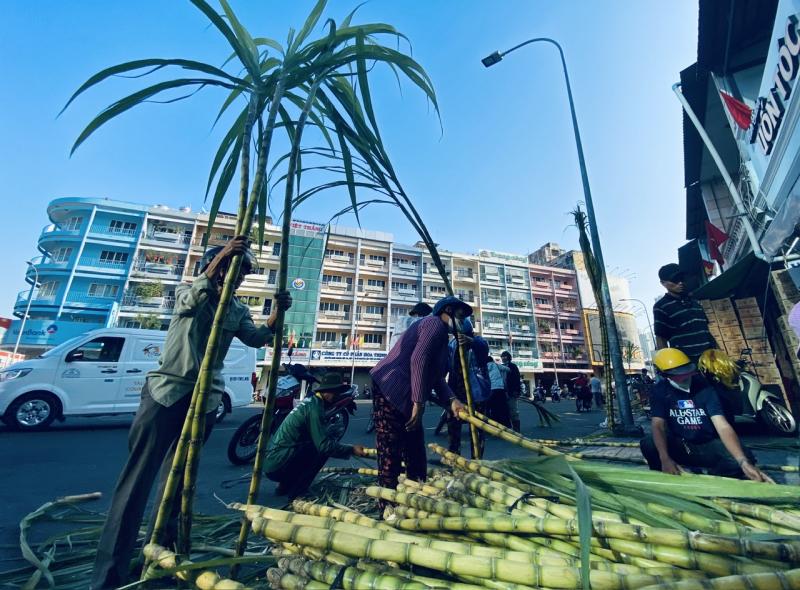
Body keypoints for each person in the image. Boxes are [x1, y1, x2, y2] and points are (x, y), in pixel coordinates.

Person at [91, 236, 293, 590]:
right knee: (137, 484)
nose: (238, 277)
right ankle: (108, 577)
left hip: (205, 402)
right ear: (213, 266)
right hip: (167, 393)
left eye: (243, 273)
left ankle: (157, 563)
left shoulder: (236, 309)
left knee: (178, 485)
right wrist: (220, 261)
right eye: (233, 268)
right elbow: (191, 298)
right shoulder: (190, 290)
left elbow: (258, 337)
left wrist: (279, 311)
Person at [369, 296, 467, 512]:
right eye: (460, 315)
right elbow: (418, 359)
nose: (462, 321)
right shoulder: (433, 324)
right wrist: (419, 402)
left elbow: (438, 378)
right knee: (390, 450)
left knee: (414, 449)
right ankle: (387, 507)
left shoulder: (442, 338)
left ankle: (416, 494)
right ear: (448, 310)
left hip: (406, 396)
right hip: (390, 387)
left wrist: (453, 401)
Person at [640, 349, 773, 482]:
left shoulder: (705, 388)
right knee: (648, 444)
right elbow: (658, 426)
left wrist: (743, 462)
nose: (685, 379)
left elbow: (722, 426)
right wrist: (665, 459)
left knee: (742, 457)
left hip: (708, 444)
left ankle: (714, 479)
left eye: (687, 374)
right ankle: (664, 476)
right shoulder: (659, 392)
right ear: (664, 375)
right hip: (681, 444)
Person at [265, 372, 367, 499]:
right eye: (335, 392)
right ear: (326, 390)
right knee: (322, 450)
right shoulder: (315, 408)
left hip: (274, 459)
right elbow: (324, 446)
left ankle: (284, 486)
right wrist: (351, 449)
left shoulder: (311, 400)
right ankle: (298, 491)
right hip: (277, 465)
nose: (337, 395)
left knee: (323, 440)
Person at [446, 318, 493, 458]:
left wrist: (470, 341)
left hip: (476, 393)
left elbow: (483, 349)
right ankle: (454, 458)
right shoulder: (453, 344)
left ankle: (477, 460)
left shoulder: (478, 341)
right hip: (456, 393)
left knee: (477, 430)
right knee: (453, 427)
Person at [653, 264, 716, 363]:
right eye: (675, 280)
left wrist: (719, 352)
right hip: (687, 363)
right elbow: (660, 337)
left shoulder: (695, 302)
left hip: (711, 360)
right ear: (663, 283)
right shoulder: (661, 307)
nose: (680, 283)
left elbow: (706, 332)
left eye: (682, 278)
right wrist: (667, 363)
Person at [486, 356, 512, 428]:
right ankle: (506, 425)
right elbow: (508, 369)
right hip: (500, 389)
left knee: (494, 408)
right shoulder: (496, 365)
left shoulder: (485, 368)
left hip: (491, 390)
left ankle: (496, 425)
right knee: (503, 408)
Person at [500, 351, 523, 432]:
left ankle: (517, 429)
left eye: (505, 356)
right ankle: (510, 429)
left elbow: (517, 379)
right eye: (502, 356)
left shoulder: (513, 366)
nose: (503, 358)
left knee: (514, 410)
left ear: (509, 357)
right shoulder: (501, 367)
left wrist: (516, 390)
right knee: (506, 411)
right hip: (503, 392)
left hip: (512, 392)